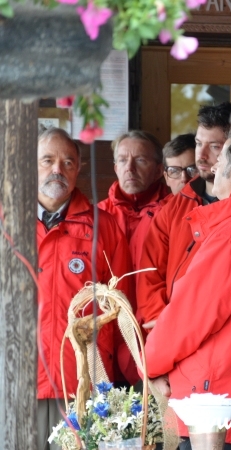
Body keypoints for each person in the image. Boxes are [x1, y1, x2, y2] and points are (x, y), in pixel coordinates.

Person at [145, 126, 231, 449]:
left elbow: (188, 318)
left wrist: (149, 363)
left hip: (216, 407)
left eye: (221, 158)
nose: (213, 165)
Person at [36, 128, 132, 450]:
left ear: (79, 168)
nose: (57, 170)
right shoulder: (7, 222)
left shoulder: (103, 228)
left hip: (82, 381)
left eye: (67, 162)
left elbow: (123, 311)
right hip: (17, 378)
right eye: (47, 160)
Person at [136, 102, 231, 328]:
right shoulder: (173, 208)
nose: (202, 154)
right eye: (199, 143)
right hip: (171, 332)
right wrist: (165, 326)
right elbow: (149, 275)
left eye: (215, 146)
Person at [98, 130, 168, 270]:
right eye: (123, 160)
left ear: (158, 171)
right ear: (116, 168)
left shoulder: (171, 212)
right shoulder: (97, 215)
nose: (130, 168)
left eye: (140, 160)